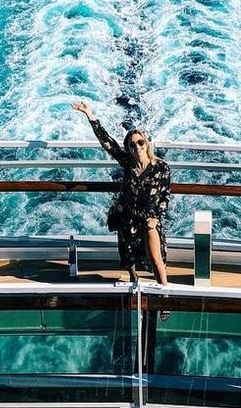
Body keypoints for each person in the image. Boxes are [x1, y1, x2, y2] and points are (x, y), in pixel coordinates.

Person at [72, 101, 171, 314]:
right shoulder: (127, 163)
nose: (137, 147)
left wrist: (157, 216)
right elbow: (107, 143)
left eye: (140, 142)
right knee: (129, 259)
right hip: (127, 217)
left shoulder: (162, 168)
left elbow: (165, 196)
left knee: (156, 259)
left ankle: (165, 297)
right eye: (132, 144)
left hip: (149, 219)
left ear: (147, 144)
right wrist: (90, 115)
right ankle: (135, 284)